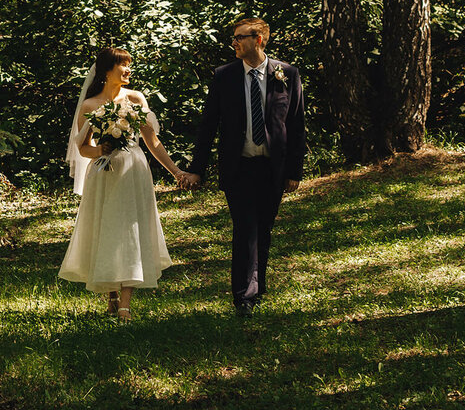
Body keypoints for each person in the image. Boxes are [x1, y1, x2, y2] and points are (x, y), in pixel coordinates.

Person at [181, 18, 306, 316]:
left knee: (264, 229)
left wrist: (294, 171)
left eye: (239, 37)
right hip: (239, 167)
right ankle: (243, 297)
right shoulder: (224, 76)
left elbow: (296, 124)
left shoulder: (287, 73)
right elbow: (208, 124)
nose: (234, 43)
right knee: (245, 229)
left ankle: (257, 288)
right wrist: (197, 168)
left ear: (258, 39)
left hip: (273, 168)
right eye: (234, 38)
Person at [60, 46, 184, 319]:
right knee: (105, 227)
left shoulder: (136, 98)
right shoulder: (89, 106)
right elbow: (83, 148)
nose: (128, 70)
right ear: (107, 70)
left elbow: (152, 141)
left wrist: (176, 172)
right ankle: (111, 295)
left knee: (130, 228)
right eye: (123, 65)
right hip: (103, 172)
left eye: (129, 64)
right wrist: (100, 150)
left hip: (133, 169)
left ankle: (125, 303)